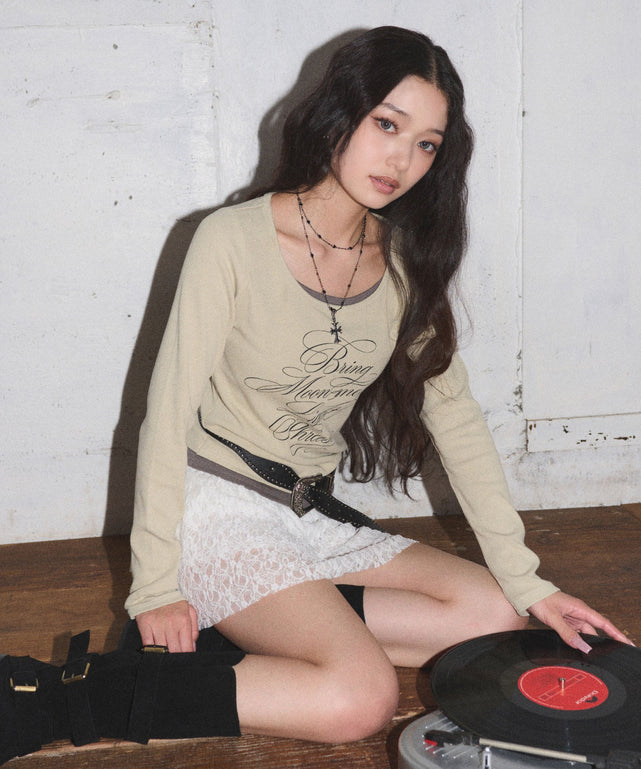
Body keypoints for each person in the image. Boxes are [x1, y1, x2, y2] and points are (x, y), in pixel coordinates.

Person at [1, 26, 631, 764]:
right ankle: (58, 695)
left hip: (307, 514)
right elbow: (165, 416)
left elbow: (455, 418)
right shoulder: (231, 239)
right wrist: (154, 587)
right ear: (341, 114)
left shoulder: (403, 262)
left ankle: (252, 630)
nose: (401, 159)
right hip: (216, 508)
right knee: (358, 699)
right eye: (387, 125)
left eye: (426, 144)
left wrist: (530, 581)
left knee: (493, 613)